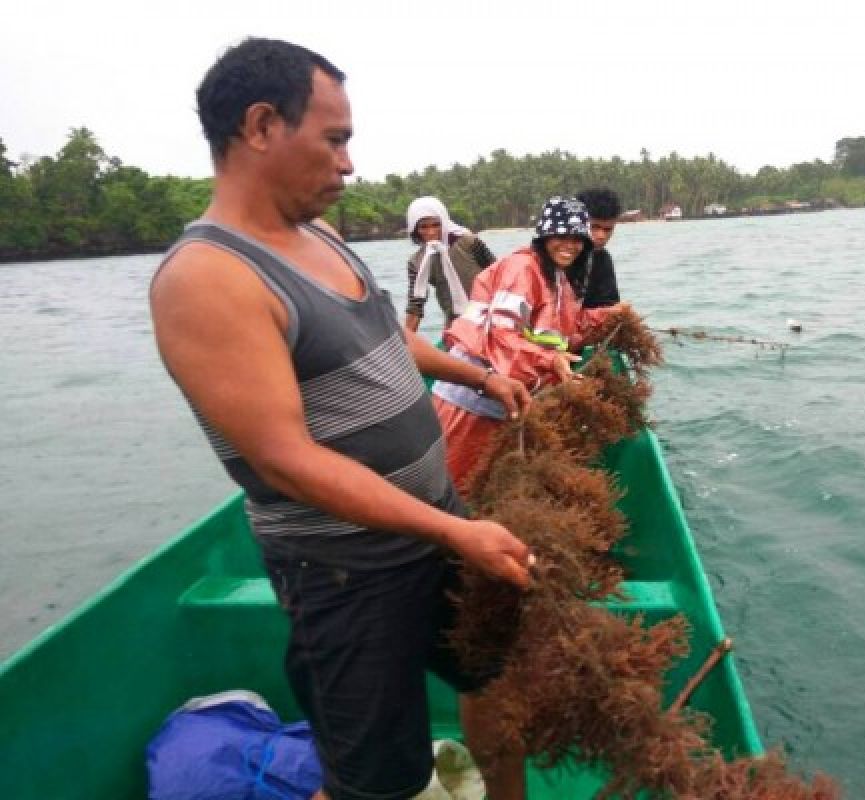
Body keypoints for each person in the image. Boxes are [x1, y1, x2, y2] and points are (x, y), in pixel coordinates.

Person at [148, 38, 531, 800]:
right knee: (377, 780)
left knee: (499, 679)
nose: (349, 163)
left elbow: (393, 341)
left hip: (432, 524)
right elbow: (283, 460)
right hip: (348, 576)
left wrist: (482, 373)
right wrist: (457, 532)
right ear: (260, 126)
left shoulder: (322, 237)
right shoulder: (207, 278)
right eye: (335, 139)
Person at [432, 196, 623, 492]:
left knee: (488, 488)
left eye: (577, 238)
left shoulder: (557, 280)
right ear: (545, 235)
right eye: (561, 236)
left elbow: (569, 327)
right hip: (469, 399)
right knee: (455, 489)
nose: (569, 245)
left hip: (504, 400)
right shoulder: (522, 269)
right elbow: (501, 337)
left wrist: (614, 316)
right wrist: (550, 361)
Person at [404, 196, 496, 332]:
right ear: (415, 229)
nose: (431, 232)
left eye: (436, 224)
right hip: (455, 323)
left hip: (490, 315)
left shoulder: (468, 242)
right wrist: (404, 345)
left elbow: (498, 272)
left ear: (444, 222)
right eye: (423, 227)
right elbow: (415, 307)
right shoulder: (417, 262)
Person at [565, 187, 622, 308]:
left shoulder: (602, 258)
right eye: (594, 227)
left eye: (608, 229)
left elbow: (609, 308)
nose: (601, 236)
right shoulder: (553, 257)